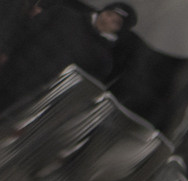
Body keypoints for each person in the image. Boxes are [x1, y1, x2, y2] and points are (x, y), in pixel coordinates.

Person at [0, 0, 131, 111]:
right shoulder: (63, 14)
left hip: (34, 94)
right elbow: (28, 29)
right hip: (11, 67)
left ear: (119, 30)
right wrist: (6, 50)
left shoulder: (103, 60)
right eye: (108, 14)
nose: (107, 21)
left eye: (115, 22)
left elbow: (80, 90)